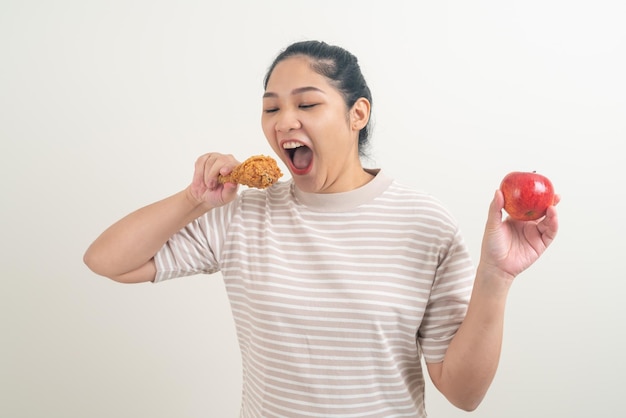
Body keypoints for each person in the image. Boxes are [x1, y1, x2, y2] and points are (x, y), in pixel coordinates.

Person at [84, 40, 559, 417]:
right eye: (271, 109)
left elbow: (463, 392)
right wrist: (194, 199)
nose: (284, 121)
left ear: (358, 114)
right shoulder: (245, 215)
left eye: (307, 104)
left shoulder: (424, 222)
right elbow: (106, 260)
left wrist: (496, 278)